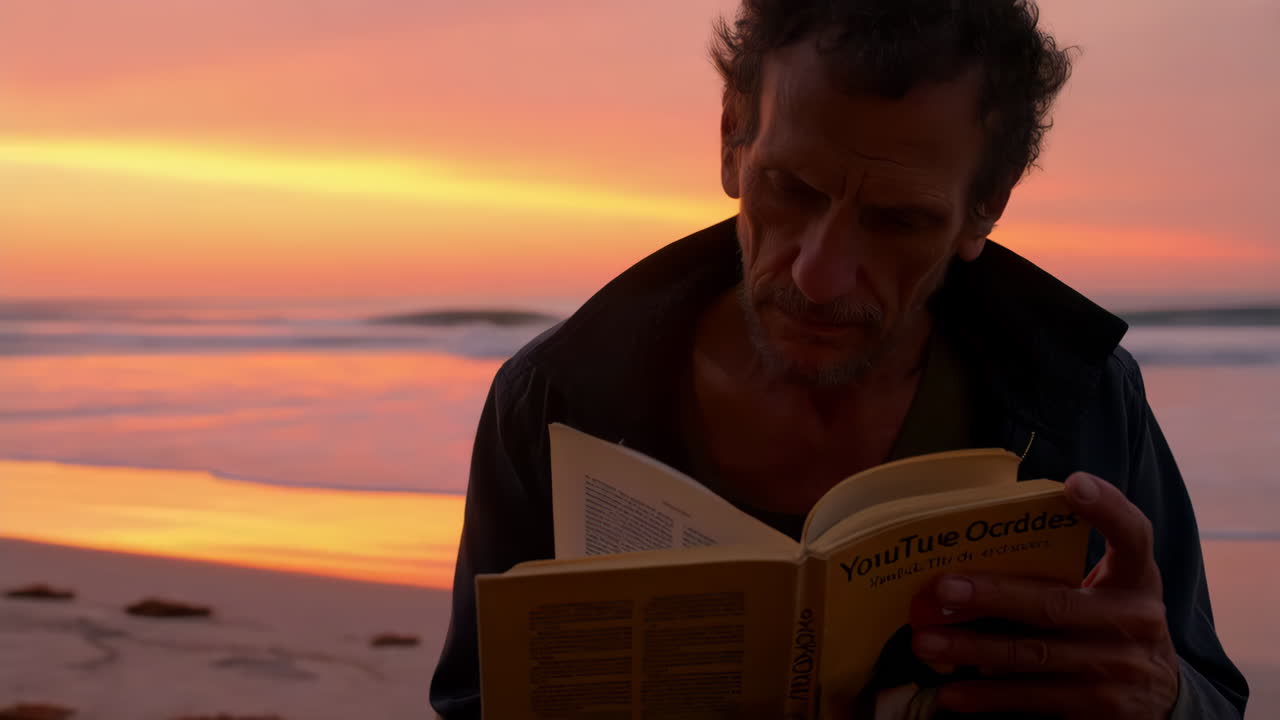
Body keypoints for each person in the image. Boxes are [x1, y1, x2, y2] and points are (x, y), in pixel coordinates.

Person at [430, 1, 1249, 717]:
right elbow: (474, 700)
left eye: (896, 222)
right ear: (731, 141)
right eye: (790, 190)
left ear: (983, 213)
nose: (817, 277)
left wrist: (1164, 698)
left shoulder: (1083, 399)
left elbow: (1206, 693)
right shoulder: (554, 401)